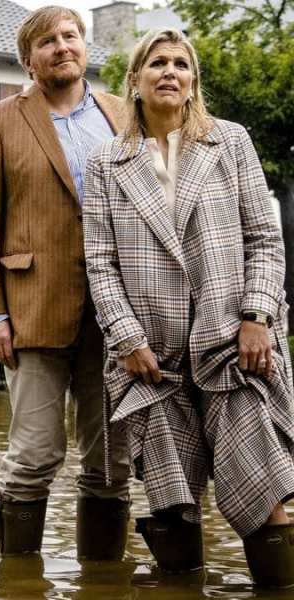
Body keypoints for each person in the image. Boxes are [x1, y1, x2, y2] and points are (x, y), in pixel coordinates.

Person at [83, 29, 294, 587]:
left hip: (234, 341)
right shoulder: (107, 162)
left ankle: (278, 588)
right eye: (157, 63)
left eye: (181, 63)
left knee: (261, 476)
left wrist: (259, 316)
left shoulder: (230, 142)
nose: (169, 71)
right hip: (150, 353)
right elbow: (100, 263)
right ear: (135, 80)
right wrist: (127, 339)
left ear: (193, 79)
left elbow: (264, 240)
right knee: (171, 490)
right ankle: (181, 583)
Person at [0, 6, 130, 559]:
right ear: (29, 60)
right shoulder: (0, 120)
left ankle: (101, 582)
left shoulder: (124, 115)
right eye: (48, 41)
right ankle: (18, 576)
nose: (62, 46)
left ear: (85, 47)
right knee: (35, 453)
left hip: (116, 315)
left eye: (71, 36)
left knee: (111, 459)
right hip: (31, 310)